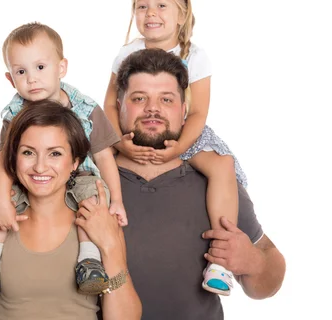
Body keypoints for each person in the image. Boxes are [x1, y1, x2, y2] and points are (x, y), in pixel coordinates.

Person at [104, 0, 243, 295]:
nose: (151, 13)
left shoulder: (194, 55)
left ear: (181, 13)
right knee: (91, 154)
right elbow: (110, 104)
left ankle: (222, 261)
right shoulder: (127, 52)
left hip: (184, 133)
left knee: (221, 165)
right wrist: (120, 143)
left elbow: (198, 113)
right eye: (142, 6)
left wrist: (180, 147)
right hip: (130, 131)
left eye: (161, 5)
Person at [115, 48, 285, 319]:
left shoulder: (218, 183)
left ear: (184, 111)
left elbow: (270, 273)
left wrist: (252, 262)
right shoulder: (85, 180)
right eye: (139, 98)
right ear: (119, 106)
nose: (153, 108)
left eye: (166, 99)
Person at [0, 23, 128, 306]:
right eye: (21, 71)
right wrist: (2, 202)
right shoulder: (14, 115)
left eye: (40, 67)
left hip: (82, 175)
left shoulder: (86, 108)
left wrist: (118, 201)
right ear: (9, 78)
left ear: (61, 67)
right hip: (23, 179)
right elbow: (3, 164)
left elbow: (103, 156)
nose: (32, 79)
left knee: (92, 201)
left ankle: (89, 261)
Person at [0, 100, 141, 319]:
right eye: (28, 153)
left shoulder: (97, 219)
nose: (40, 167)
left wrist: (111, 247)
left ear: (75, 162)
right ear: (13, 159)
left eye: (54, 154)